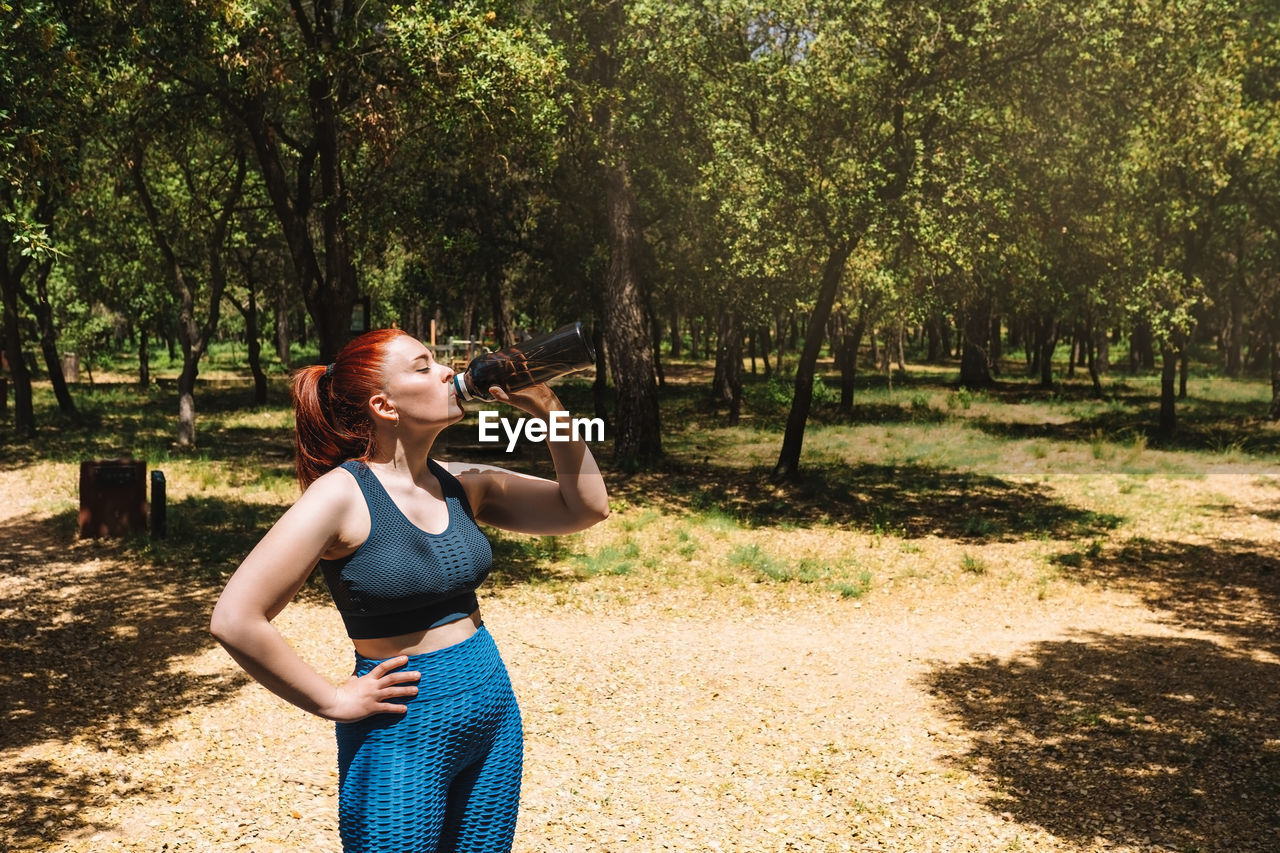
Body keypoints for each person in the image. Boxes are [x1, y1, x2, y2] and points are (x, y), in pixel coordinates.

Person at [210, 328, 609, 853]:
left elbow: (585, 508)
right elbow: (236, 618)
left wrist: (550, 411)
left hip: (493, 717)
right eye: (422, 367)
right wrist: (331, 699)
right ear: (384, 405)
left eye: (439, 362)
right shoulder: (341, 495)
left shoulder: (460, 482)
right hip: (402, 731)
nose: (447, 371)